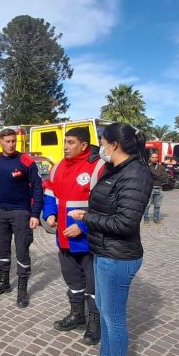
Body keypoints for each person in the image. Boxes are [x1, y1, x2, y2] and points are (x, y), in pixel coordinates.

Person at [69, 123, 152, 356]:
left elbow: (126, 223)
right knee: (104, 311)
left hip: (118, 257)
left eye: (103, 142)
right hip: (104, 252)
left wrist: (86, 217)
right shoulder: (115, 170)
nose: (100, 147)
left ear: (114, 144)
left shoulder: (136, 174)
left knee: (114, 318)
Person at [43, 127, 105, 344]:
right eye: (65, 142)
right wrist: (49, 213)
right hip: (64, 238)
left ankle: (95, 322)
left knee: (94, 285)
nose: (65, 147)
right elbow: (50, 193)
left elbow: (104, 207)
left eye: (70, 142)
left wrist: (83, 226)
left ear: (84, 145)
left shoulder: (97, 167)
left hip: (89, 240)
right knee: (73, 281)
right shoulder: (58, 166)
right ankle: (77, 315)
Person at [0, 128, 43, 308]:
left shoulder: (26, 161)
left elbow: (38, 188)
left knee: (22, 251)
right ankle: (4, 282)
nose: (11, 144)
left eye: (13, 141)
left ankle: (22, 290)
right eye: (7, 141)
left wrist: (35, 214)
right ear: (0, 142)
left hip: (21, 212)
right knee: (2, 249)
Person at [144, 152, 167, 224]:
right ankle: (146, 219)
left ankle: (156, 219)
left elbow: (165, 178)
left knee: (157, 206)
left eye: (156, 157)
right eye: (153, 157)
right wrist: (159, 177)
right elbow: (145, 178)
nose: (154, 159)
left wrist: (155, 176)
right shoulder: (147, 167)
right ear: (150, 158)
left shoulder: (161, 167)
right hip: (149, 188)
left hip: (159, 188)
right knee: (147, 205)